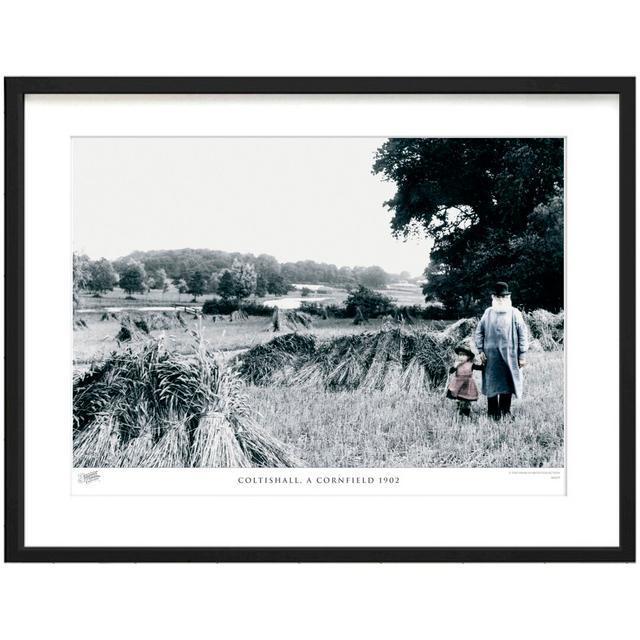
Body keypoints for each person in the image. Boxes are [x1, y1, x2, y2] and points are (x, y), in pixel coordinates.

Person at [474, 282, 528, 419]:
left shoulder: (515, 313)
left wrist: (522, 355)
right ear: (493, 297)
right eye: (498, 296)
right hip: (490, 357)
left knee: (507, 383)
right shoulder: (488, 313)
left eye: (503, 296)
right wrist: (480, 350)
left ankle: (505, 412)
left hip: (510, 356)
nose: (500, 299)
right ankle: (492, 413)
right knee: (491, 383)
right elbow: (479, 332)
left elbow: (523, 334)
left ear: (508, 297)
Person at [446, 343, 483, 417]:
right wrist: (454, 366)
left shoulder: (471, 364)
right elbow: (450, 371)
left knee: (466, 400)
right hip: (458, 385)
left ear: (468, 357)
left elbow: (480, 368)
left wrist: (483, 363)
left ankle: (467, 413)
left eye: (463, 355)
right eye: (460, 355)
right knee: (460, 400)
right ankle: (460, 413)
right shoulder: (457, 364)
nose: (461, 357)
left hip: (468, 385)